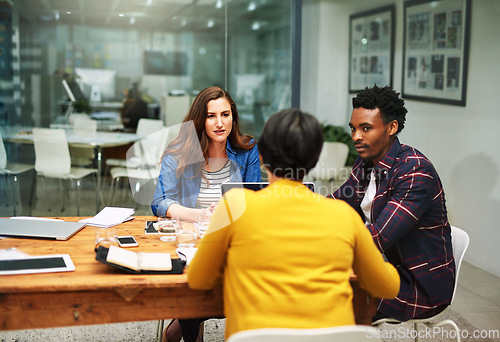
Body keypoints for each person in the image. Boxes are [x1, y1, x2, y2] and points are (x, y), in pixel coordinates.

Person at [187, 108, 400, 340]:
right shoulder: (344, 216)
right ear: (315, 159)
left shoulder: (235, 205)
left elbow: (198, 279)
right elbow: (388, 287)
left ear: (261, 157)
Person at [328, 85, 455, 322]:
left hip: (419, 286)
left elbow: (375, 239)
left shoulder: (415, 171)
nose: (356, 136)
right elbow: (335, 203)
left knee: (322, 293)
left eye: (366, 128)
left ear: (392, 127)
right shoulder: (366, 161)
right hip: (387, 269)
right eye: (353, 128)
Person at [151, 86, 261, 342]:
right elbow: (159, 203)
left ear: (233, 116)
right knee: (195, 282)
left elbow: (254, 198)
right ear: (200, 119)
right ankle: (189, 332)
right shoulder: (177, 152)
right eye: (212, 116)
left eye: (226, 114)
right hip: (189, 239)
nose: (220, 123)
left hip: (232, 238)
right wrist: (200, 215)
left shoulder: (247, 150)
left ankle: (176, 330)